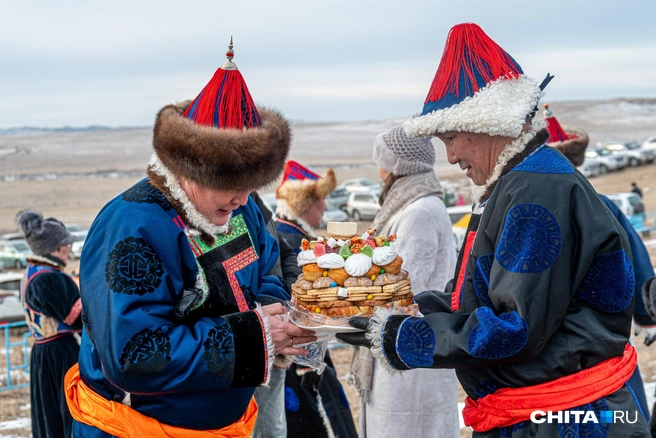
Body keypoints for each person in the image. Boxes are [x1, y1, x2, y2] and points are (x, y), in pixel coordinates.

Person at [337, 23, 649, 437]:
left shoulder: (536, 192)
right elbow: (480, 292)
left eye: (451, 138)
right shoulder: (520, 181)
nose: (450, 157)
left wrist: (407, 337)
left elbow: (514, 328)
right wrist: (404, 310)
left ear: (488, 123)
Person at [65, 40, 317, 437]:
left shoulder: (239, 206)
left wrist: (275, 314)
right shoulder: (133, 227)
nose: (243, 198)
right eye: (232, 184)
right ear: (190, 168)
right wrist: (254, 336)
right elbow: (134, 354)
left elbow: (268, 263)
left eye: (251, 184)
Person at [544, 104, 654, 424]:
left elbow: (630, 255)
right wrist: (645, 313)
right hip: (600, 336)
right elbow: (635, 256)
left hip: (570, 340)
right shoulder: (601, 204)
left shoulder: (528, 213)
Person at [351, 125, 458, 437]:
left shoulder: (419, 211)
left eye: (381, 160)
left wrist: (352, 302)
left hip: (409, 350)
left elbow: (400, 284)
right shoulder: (411, 204)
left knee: (410, 427)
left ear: (397, 165)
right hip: (398, 345)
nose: (379, 169)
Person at [275, 160, 358, 438]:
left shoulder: (290, 234)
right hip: (298, 359)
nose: (324, 206)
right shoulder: (292, 240)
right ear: (303, 203)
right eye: (320, 199)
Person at [16, 210, 81, 438]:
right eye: (65, 245)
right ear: (53, 249)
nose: (69, 249)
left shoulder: (32, 273)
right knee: (66, 412)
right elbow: (75, 317)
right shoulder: (50, 279)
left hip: (43, 352)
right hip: (60, 355)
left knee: (49, 412)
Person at [250, 191, 300, 438]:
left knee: (274, 427)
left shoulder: (257, 205)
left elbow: (287, 253)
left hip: (278, 334)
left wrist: (287, 299)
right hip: (250, 341)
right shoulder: (225, 209)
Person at [275, 160, 335, 250]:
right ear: (306, 203)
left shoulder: (281, 231)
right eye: (323, 199)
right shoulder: (294, 241)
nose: (325, 207)